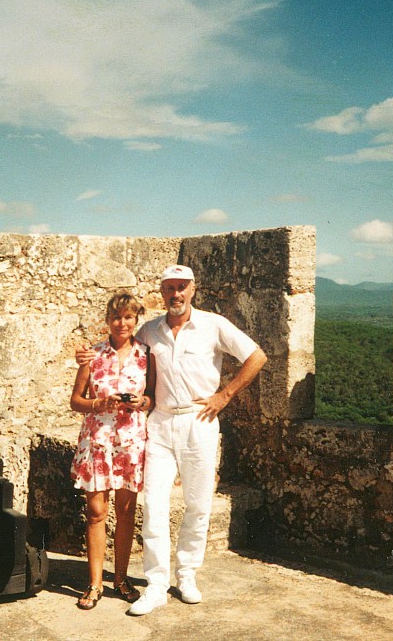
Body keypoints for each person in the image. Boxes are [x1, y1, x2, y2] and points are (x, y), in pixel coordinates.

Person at [76, 264, 267, 616]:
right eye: (169, 288)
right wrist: (85, 356)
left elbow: (256, 356)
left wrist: (225, 395)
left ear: (193, 289)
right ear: (161, 293)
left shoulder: (214, 325)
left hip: (200, 420)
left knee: (197, 503)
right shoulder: (150, 330)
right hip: (160, 423)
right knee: (155, 506)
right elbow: (119, 349)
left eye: (182, 287)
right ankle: (157, 584)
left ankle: (188, 574)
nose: (175, 294)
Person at [69, 292, 156, 610]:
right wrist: (97, 404)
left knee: (126, 512)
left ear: (136, 321)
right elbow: (75, 400)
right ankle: (94, 584)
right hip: (98, 441)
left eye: (129, 317)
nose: (122, 322)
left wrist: (141, 402)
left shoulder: (146, 354)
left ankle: (120, 579)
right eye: (117, 317)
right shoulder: (91, 355)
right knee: (96, 513)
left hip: (131, 442)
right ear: (108, 321)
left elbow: (152, 399)